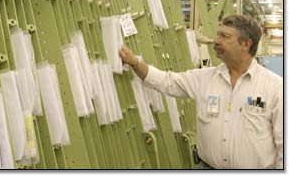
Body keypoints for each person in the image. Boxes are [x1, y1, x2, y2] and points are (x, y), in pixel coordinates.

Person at [119, 14, 283, 169]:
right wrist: (135, 62)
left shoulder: (275, 87)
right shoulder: (204, 78)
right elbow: (166, 82)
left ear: (245, 44)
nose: (216, 41)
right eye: (218, 35)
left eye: (225, 37)